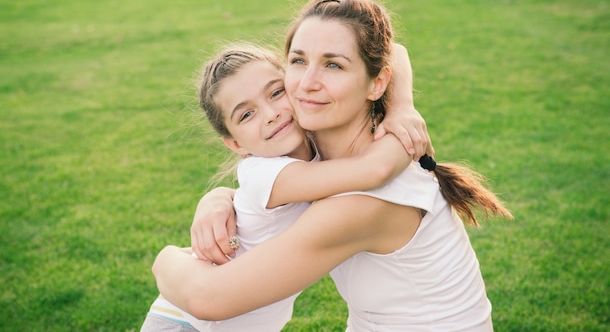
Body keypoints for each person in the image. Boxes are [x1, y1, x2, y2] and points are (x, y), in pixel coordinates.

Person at [152, 0, 513, 331]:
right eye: (298, 61)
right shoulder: (319, 146)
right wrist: (220, 199)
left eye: (333, 66)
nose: (307, 83)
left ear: (376, 82)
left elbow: (208, 297)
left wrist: (166, 259)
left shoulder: (364, 200)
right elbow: (396, 51)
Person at [140, 43, 416, 332]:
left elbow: (394, 50)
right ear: (235, 144)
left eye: (276, 92)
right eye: (246, 115)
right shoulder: (263, 173)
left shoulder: (313, 144)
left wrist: (402, 105)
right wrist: (404, 125)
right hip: (188, 323)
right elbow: (373, 170)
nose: (270, 113)